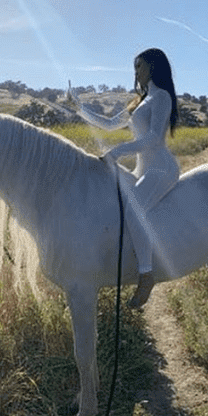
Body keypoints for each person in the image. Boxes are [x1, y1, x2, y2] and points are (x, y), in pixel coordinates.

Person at [72, 48, 179, 308]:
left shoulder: (161, 97)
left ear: (153, 67)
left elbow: (154, 139)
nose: (136, 73)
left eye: (139, 67)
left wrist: (118, 151)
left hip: (161, 168)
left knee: (134, 211)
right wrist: (80, 108)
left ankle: (146, 274)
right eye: (135, 68)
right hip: (144, 169)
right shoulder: (139, 101)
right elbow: (110, 124)